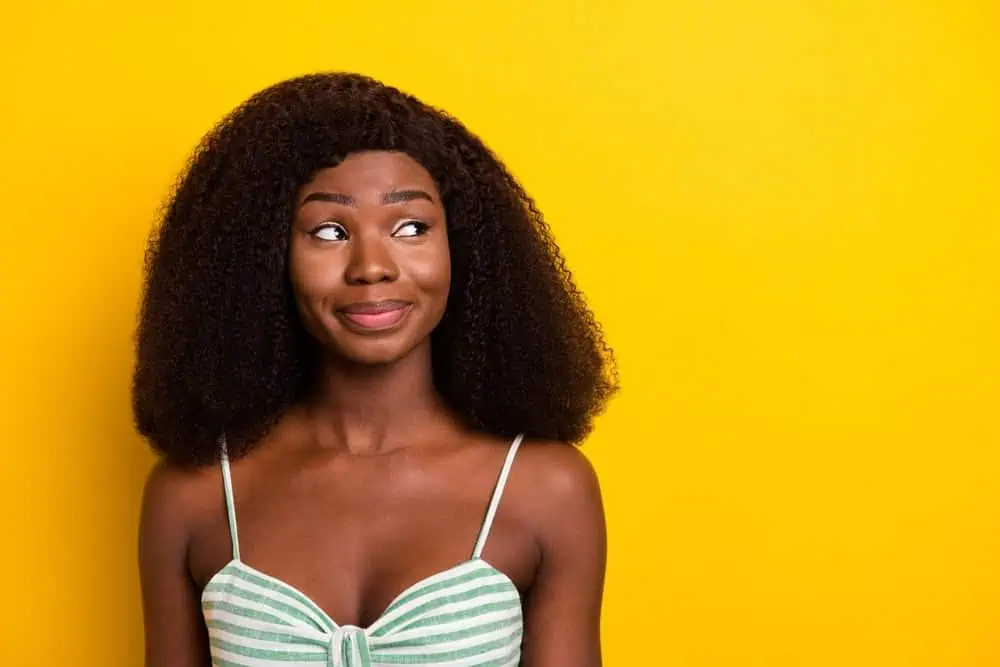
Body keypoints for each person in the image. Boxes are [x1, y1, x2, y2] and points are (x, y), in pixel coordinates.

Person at [134, 72, 618, 667]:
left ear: (462, 245)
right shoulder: (197, 494)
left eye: (410, 227)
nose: (372, 267)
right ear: (263, 259)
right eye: (329, 231)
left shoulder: (545, 489)